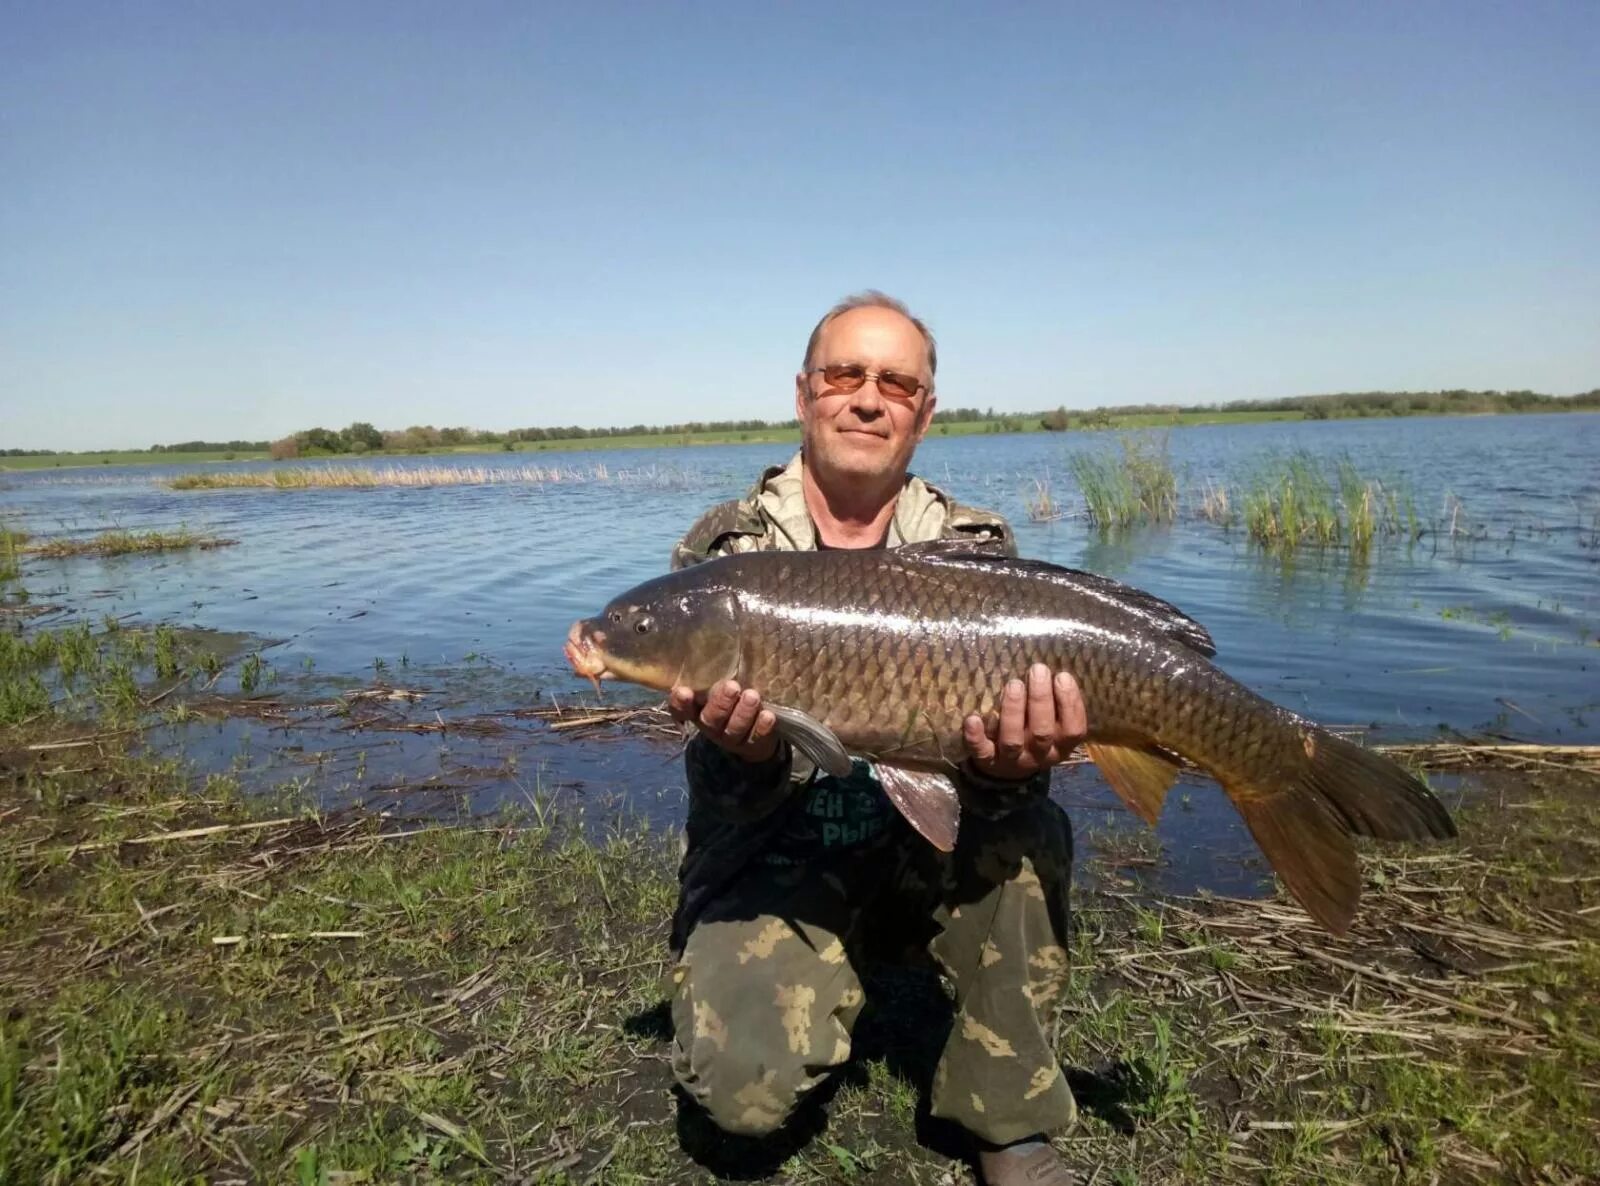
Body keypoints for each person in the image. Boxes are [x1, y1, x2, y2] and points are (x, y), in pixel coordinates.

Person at [664, 292, 1085, 1186]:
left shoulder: (975, 547)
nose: (867, 398)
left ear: (924, 412)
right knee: (739, 1100)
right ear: (804, 393)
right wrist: (750, 754)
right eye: (844, 374)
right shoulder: (725, 557)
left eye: (896, 382)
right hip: (783, 854)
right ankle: (833, 970)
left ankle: (1007, 1120)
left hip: (929, 847)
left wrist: (1012, 766)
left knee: (1026, 835)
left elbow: (1000, 790)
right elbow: (719, 799)